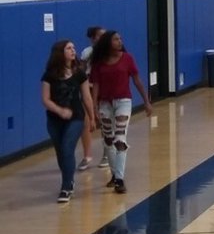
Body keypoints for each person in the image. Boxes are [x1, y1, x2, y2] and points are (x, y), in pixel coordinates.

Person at [88, 30, 153, 195]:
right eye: (116, 39)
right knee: (108, 139)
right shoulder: (99, 63)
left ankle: (120, 179)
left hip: (123, 101)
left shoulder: (127, 58)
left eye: (120, 39)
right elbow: (95, 85)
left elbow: (137, 80)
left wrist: (146, 101)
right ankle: (114, 174)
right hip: (104, 103)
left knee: (119, 139)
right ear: (108, 43)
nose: (120, 41)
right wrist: (94, 108)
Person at [41, 40, 95, 203]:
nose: (73, 50)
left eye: (73, 48)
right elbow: (45, 99)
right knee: (60, 152)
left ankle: (66, 187)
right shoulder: (49, 75)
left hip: (76, 117)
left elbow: (86, 97)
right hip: (54, 120)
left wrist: (92, 117)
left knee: (67, 148)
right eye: (69, 48)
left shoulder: (79, 73)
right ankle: (69, 178)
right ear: (60, 52)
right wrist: (59, 110)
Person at [77, 26, 106, 171]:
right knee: (86, 122)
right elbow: (81, 71)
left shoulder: (110, 53)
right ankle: (87, 156)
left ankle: (107, 153)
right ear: (93, 38)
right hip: (88, 88)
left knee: (105, 121)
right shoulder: (87, 53)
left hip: (105, 89)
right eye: (100, 35)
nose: (104, 38)